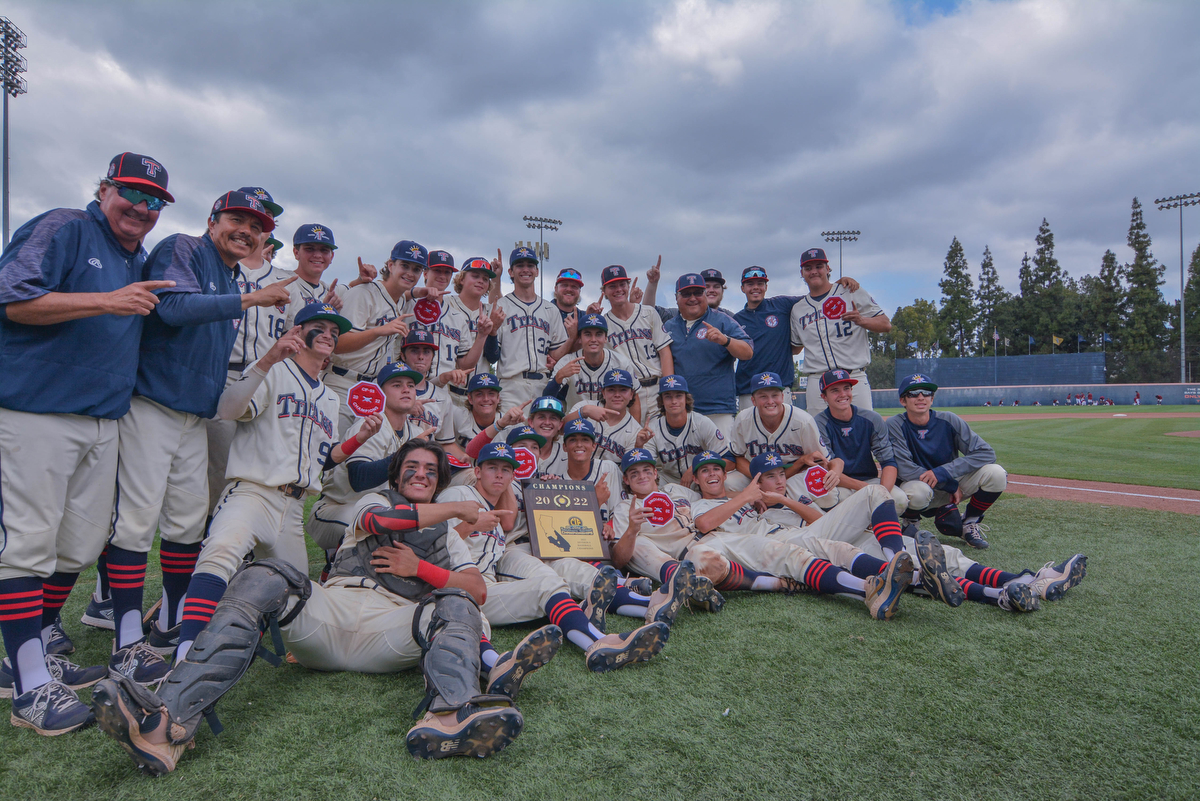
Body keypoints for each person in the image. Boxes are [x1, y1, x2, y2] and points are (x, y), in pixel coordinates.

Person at [91, 439, 556, 770]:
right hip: (327, 615)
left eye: (431, 470)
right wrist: (456, 509)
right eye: (411, 466)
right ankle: (167, 724)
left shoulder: (449, 539)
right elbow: (383, 519)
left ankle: (451, 714)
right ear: (397, 474)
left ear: (439, 481)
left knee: (456, 600)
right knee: (265, 573)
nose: (420, 473)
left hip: (391, 630)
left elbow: (475, 591)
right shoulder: (373, 499)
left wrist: (421, 570)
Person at [0, 152, 177, 735]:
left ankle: (33, 652)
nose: (144, 209)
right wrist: (106, 300)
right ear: (103, 189)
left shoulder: (139, 258)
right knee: (27, 545)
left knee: (75, 548)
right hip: (36, 410)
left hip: (102, 419)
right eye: (133, 194)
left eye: (156, 202)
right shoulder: (66, 227)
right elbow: (13, 299)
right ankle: (29, 686)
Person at [95, 190, 292, 691]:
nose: (246, 229)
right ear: (212, 219)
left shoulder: (228, 273)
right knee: (137, 521)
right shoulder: (183, 248)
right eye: (237, 218)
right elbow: (174, 308)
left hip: (193, 412)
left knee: (186, 521)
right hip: (153, 404)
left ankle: (170, 622)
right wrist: (251, 298)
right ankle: (125, 640)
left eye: (256, 224)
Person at [169, 302, 351, 664]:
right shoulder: (274, 371)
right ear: (297, 332)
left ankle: (243, 633)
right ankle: (187, 651)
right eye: (320, 325)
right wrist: (266, 361)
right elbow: (229, 409)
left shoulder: (331, 398)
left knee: (301, 600)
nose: (329, 333)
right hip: (252, 492)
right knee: (221, 552)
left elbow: (322, 458)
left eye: (335, 329)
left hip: (294, 508)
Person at [435, 443, 672, 672]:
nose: (499, 475)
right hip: (457, 584)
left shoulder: (500, 505)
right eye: (492, 468)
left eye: (506, 470)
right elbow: (433, 549)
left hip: (487, 583)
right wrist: (471, 523)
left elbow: (507, 520)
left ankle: (603, 638)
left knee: (553, 581)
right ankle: (496, 666)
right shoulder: (460, 494)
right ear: (477, 471)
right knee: (470, 617)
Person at [746, 453, 1074, 613]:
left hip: (836, 535)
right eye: (770, 476)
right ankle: (998, 595)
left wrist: (784, 495)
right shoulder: (750, 508)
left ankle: (1024, 581)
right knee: (915, 568)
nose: (778, 479)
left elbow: (818, 514)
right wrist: (767, 500)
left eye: (780, 473)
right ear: (756, 482)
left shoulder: (795, 488)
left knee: (941, 556)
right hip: (815, 549)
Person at [688, 453, 913, 620]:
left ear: (725, 474)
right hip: (760, 544)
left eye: (716, 469)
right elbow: (705, 523)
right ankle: (868, 590)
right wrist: (746, 496)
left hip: (786, 533)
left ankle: (899, 566)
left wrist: (751, 497)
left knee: (842, 542)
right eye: (704, 471)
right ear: (696, 480)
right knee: (806, 554)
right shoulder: (701, 504)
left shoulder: (753, 499)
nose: (712, 474)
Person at [305, 361, 425, 555]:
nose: (406, 390)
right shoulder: (369, 426)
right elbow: (360, 479)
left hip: (381, 510)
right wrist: (407, 454)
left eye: (410, 385)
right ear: (380, 393)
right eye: (397, 385)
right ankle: (336, 562)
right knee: (379, 526)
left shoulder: (416, 432)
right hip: (337, 508)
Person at [887, 374, 1007, 550]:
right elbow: (904, 468)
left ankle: (969, 522)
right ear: (903, 400)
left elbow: (986, 453)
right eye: (913, 393)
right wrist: (948, 483)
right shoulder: (895, 424)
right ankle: (910, 522)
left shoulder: (949, 420)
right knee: (918, 492)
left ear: (932, 398)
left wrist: (942, 473)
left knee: (996, 474)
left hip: (948, 485)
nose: (921, 397)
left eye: (926, 393)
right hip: (920, 486)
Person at [324, 240, 423, 436]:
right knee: (332, 450)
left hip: (370, 388)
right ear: (390, 265)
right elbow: (337, 344)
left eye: (417, 269)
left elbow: (406, 293)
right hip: (341, 381)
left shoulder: (400, 299)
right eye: (405, 265)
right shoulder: (364, 293)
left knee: (356, 453)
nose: (410, 273)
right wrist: (378, 331)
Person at [789, 247, 891, 413]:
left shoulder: (850, 291)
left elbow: (885, 324)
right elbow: (796, 346)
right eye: (808, 268)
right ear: (802, 273)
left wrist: (862, 321)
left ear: (828, 269)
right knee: (819, 436)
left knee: (863, 433)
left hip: (853, 377)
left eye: (819, 266)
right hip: (817, 381)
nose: (814, 271)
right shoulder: (798, 309)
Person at [726, 371, 841, 507]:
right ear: (753, 400)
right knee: (728, 483)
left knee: (828, 493)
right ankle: (756, 511)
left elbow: (823, 462)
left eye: (775, 395)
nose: (770, 401)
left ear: (782, 396)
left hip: (793, 477)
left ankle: (774, 504)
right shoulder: (743, 419)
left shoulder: (803, 421)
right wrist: (760, 482)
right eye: (763, 396)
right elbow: (737, 457)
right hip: (756, 477)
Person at [664, 273, 753, 440]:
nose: (692, 298)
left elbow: (747, 351)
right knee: (687, 464)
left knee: (722, 461)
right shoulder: (669, 326)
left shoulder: (721, 320)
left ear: (705, 295)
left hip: (718, 410)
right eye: (686, 294)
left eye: (698, 293)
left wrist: (725, 340)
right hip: (683, 411)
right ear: (676, 298)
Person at [810, 369, 908, 512]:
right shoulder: (818, 424)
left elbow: (888, 462)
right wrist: (864, 489)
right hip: (838, 484)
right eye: (835, 390)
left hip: (869, 480)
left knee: (899, 500)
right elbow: (827, 469)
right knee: (825, 498)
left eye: (847, 388)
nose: (843, 394)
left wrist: (882, 494)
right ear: (824, 396)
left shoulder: (871, 419)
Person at [491, 246, 571, 414]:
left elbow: (555, 354)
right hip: (510, 385)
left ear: (537, 271)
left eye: (530, 265)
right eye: (520, 265)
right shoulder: (502, 306)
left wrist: (573, 338)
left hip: (543, 384)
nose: (526, 269)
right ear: (511, 272)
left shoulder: (550, 309)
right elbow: (492, 354)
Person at [598, 263, 674, 422]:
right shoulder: (603, 324)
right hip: (628, 393)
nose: (618, 289)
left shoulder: (648, 312)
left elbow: (664, 351)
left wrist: (668, 389)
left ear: (628, 285)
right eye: (612, 286)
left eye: (622, 284)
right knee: (632, 441)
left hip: (656, 387)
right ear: (604, 291)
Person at [733, 266, 805, 411]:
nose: (755, 288)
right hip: (748, 391)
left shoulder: (781, 305)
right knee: (750, 433)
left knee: (784, 432)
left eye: (760, 283)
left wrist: (839, 284)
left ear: (766, 286)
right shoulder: (736, 319)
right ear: (742, 288)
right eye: (750, 284)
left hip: (780, 388)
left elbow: (815, 297)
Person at [544, 313, 640, 417]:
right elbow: (546, 399)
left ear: (605, 338)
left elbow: (634, 400)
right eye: (588, 334)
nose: (593, 339)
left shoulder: (621, 362)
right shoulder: (567, 361)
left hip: (612, 425)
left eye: (598, 334)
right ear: (579, 338)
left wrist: (634, 431)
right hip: (577, 426)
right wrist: (559, 376)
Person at [398, 329, 472, 463]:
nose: (421, 356)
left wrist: (463, 458)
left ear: (432, 356)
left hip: (425, 461)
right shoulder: (388, 386)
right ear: (403, 356)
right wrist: (403, 409)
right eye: (414, 350)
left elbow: (445, 442)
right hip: (394, 455)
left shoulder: (442, 397)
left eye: (426, 352)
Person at [640, 375, 727, 486]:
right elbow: (644, 467)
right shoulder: (653, 428)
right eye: (668, 396)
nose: (674, 401)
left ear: (686, 398)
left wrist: (695, 468)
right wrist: (639, 446)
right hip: (667, 480)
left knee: (729, 482)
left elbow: (728, 459)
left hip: (700, 478)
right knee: (645, 482)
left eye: (679, 396)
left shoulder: (702, 423)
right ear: (661, 401)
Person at [443, 256, 501, 407]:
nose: (481, 281)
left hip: (477, 396)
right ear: (461, 279)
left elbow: (493, 357)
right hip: (446, 389)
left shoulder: (491, 312)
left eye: (485, 278)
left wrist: (493, 330)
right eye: (475, 276)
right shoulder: (445, 304)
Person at [566, 369, 645, 464]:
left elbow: (629, 470)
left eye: (623, 390)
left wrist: (638, 447)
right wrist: (584, 411)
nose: (617, 395)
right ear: (603, 393)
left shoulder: (635, 431)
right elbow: (559, 430)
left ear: (631, 394)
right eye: (611, 390)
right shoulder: (583, 406)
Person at [551, 267, 584, 352]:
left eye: (574, 287)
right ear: (556, 289)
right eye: (564, 285)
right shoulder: (543, 313)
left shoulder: (584, 318)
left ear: (579, 292)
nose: (569, 289)